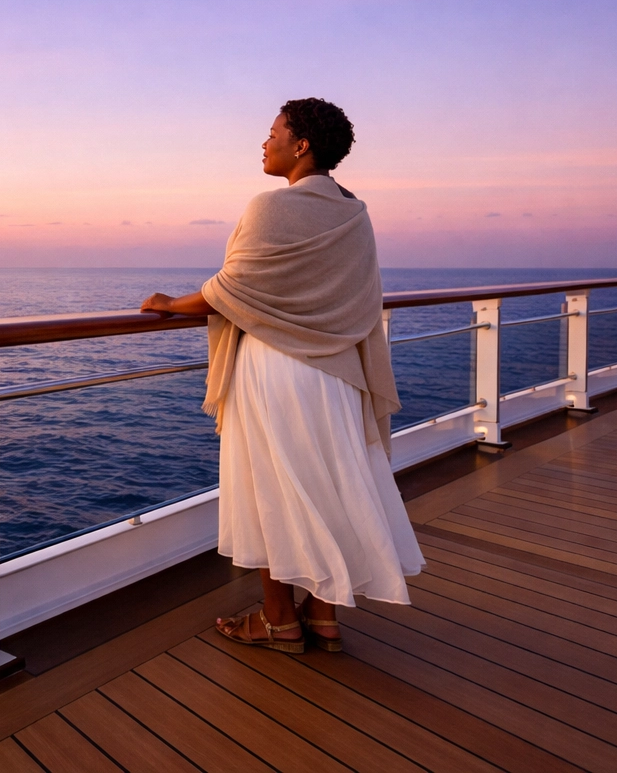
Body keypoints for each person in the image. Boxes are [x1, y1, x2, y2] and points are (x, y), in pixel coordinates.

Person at [141, 98, 423, 652]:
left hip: (276, 371)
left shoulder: (270, 208)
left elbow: (230, 289)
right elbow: (361, 300)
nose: (263, 144)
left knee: (271, 491)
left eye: (273, 134)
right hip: (338, 375)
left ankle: (279, 620)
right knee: (334, 488)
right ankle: (323, 619)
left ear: (301, 146)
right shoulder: (354, 214)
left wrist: (170, 304)